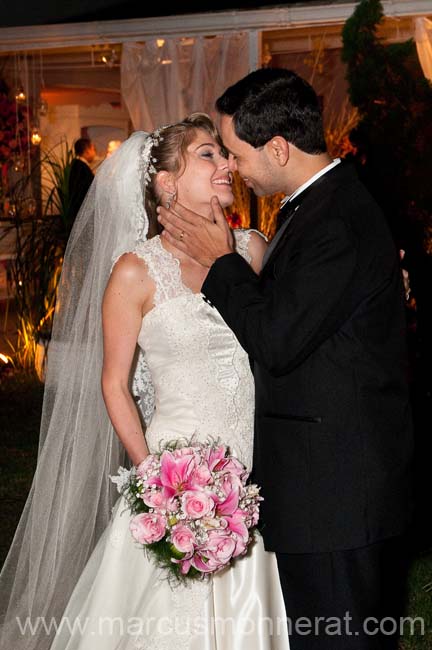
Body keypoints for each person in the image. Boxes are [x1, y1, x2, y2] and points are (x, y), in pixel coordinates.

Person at [0, 114, 290, 650]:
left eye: (225, 155)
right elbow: (114, 384)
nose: (228, 164)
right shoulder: (135, 271)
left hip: (254, 464)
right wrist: (156, 482)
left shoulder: (253, 250)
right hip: (178, 470)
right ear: (167, 182)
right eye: (209, 154)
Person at [158, 69, 414, 650]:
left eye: (237, 152)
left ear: (278, 147)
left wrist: (220, 263)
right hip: (327, 488)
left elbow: (276, 340)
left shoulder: (334, 221)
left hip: (339, 497)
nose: (232, 166)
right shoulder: (317, 205)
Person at [68, 137, 96, 221]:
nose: (95, 153)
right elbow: (86, 193)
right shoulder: (81, 168)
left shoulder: (77, 165)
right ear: (87, 151)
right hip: (83, 214)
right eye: (93, 149)